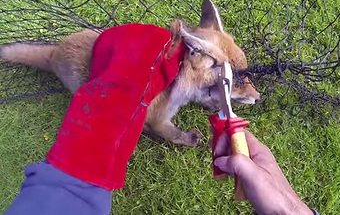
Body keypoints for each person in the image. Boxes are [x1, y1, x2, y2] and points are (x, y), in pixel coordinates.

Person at [4, 24, 319, 215]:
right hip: (75, 71)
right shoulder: (160, 93)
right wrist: (178, 135)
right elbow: (157, 122)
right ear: (194, 55)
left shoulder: (178, 59)